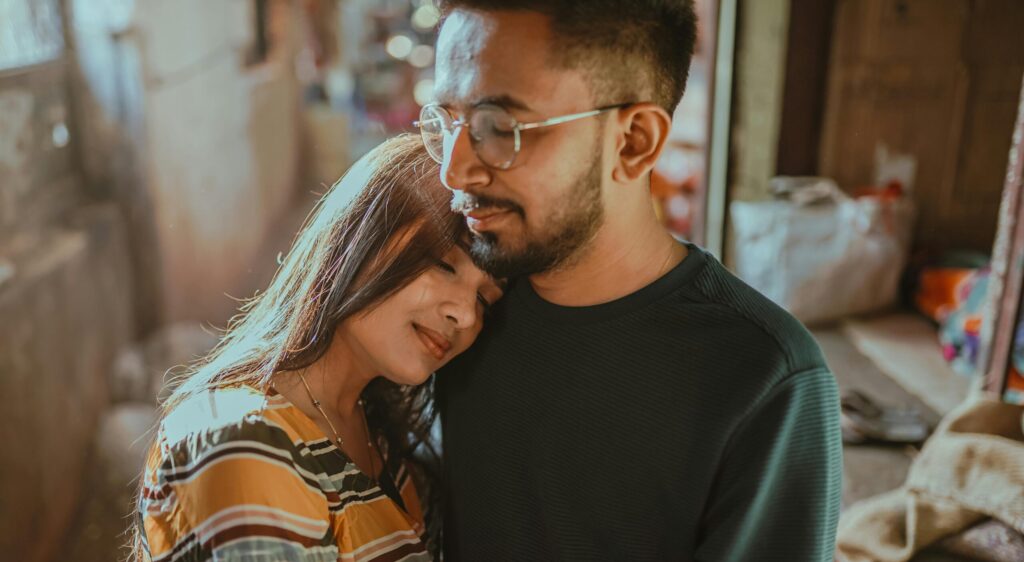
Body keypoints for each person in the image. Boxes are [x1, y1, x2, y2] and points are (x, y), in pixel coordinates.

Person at [417, 1, 844, 560]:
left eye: (498, 128)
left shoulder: (763, 380)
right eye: (446, 122)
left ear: (634, 141)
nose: (453, 170)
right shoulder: (461, 307)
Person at [131, 135, 504, 561]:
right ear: (360, 238)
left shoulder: (379, 437)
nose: (466, 316)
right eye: (444, 266)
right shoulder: (242, 441)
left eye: (485, 300)